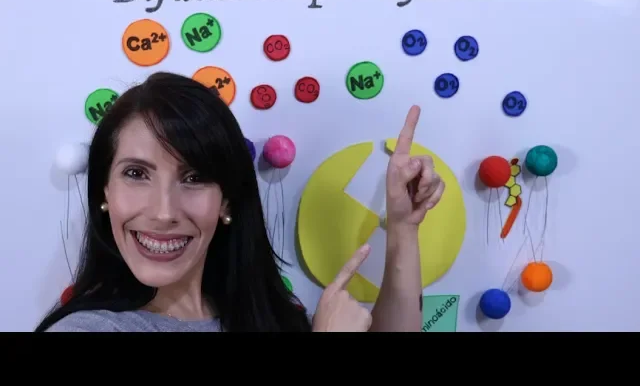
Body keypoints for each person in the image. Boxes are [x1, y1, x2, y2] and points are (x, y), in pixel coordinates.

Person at [36, 72, 444, 332]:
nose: (163, 211)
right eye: (136, 174)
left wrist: (403, 226)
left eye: (194, 177)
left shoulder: (271, 318)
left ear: (226, 202)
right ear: (104, 192)